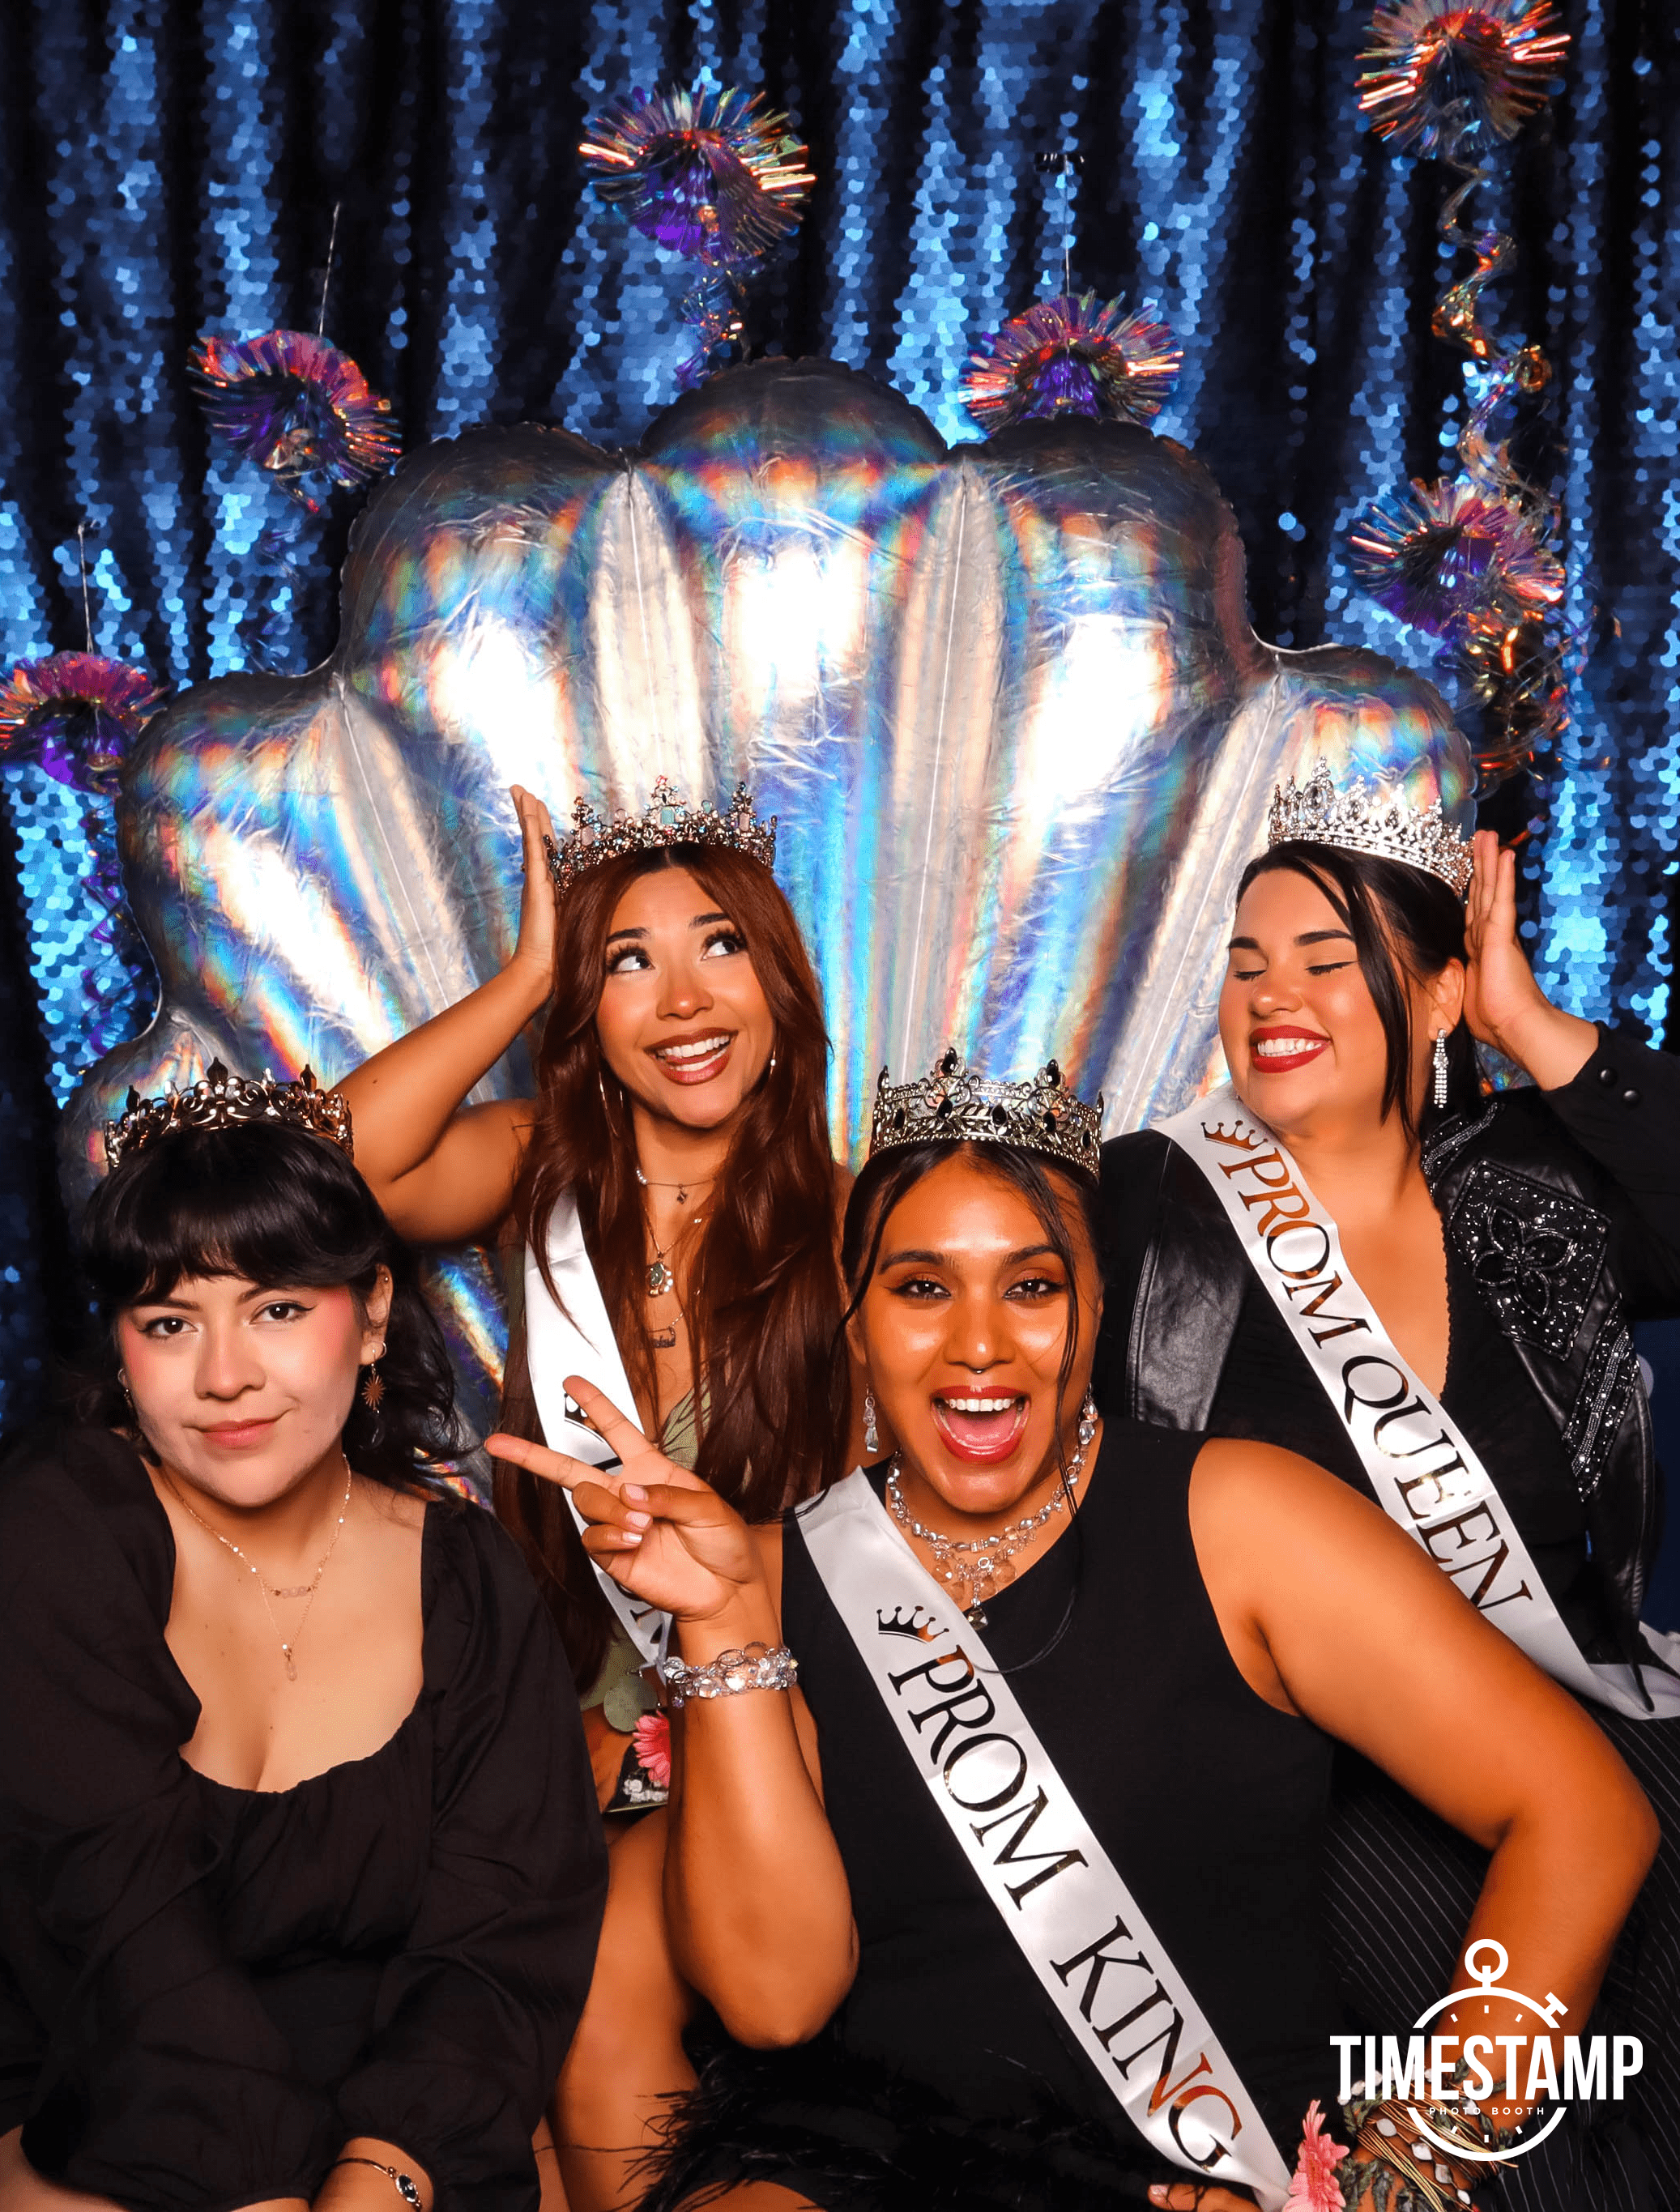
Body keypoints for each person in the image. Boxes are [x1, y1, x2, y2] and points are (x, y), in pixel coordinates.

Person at [492, 1052, 1657, 2212]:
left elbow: (1581, 1814)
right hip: (875, 2162)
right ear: (853, 1320)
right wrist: (718, 1624)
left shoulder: (1241, 1520)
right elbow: (774, 2003)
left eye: (1033, 1287)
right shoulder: (758, 1573)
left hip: (1198, 2176)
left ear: (1097, 1307)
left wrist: (1408, 2167)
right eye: (921, 1288)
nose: (979, 1346)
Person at [1094, 759, 1680, 2206]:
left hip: (1589, 1756)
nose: (1271, 995)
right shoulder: (1144, 1202)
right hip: (1306, 1800)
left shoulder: (1536, 1182)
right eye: (1245, 963)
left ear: (1432, 995)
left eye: (1325, 958)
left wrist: (1526, 1022)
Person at [335, 780, 851, 2209]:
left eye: (720, 946)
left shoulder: (857, 1221)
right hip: (568, 1731)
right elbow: (334, 1163)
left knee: (596, 1985)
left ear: (781, 985)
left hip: (783, 1715)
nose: (682, 1000)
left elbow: (905, 1534)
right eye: (628, 961)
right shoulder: (542, 1175)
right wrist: (523, 977)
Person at [0, 1067, 605, 2212]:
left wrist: (380, 2181)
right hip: (118, 2139)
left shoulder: (467, 1576)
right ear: (120, 1347)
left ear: (372, 1314)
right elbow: (125, 1941)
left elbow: (503, 1941)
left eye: (276, 1309)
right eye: (169, 1323)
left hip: (401, 2162)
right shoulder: (55, 1528)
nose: (225, 1377)